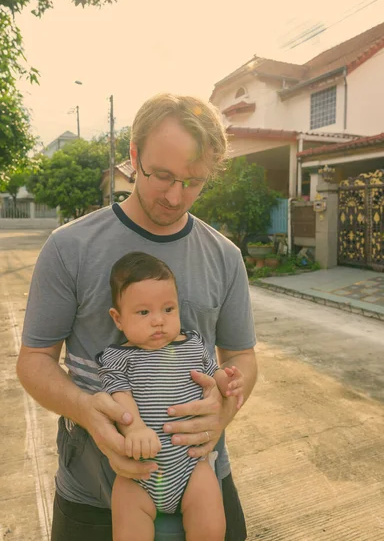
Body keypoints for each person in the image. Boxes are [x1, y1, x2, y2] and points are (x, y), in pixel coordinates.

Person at [17, 92, 258, 541]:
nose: (174, 195)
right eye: (162, 175)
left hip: (202, 477)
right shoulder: (69, 248)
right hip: (94, 492)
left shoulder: (224, 257)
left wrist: (224, 408)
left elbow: (241, 355)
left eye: (193, 181)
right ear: (133, 156)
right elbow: (33, 360)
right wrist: (87, 411)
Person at [97, 251, 244, 541]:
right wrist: (134, 427)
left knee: (212, 527)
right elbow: (118, 394)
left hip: (190, 465)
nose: (158, 321)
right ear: (118, 318)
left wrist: (228, 383)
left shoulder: (192, 344)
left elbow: (213, 373)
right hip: (138, 471)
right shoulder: (118, 357)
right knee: (127, 528)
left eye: (168, 309)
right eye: (143, 312)